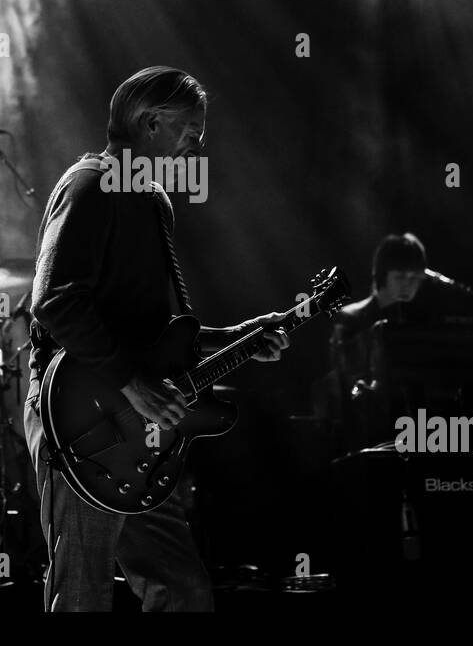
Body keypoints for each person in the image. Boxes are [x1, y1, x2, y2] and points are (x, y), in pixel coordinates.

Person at [26, 66, 289, 612]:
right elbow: (54, 302)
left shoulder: (153, 202)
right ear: (150, 123)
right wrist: (131, 384)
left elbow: (153, 339)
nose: (199, 143)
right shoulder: (93, 184)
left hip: (137, 431)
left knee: (184, 590)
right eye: (190, 129)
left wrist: (234, 339)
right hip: (82, 418)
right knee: (82, 593)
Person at [329, 233, 428, 451]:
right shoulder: (352, 319)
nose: (409, 285)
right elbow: (350, 379)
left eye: (415, 278)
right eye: (401, 277)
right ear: (382, 275)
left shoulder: (418, 321)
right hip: (368, 431)